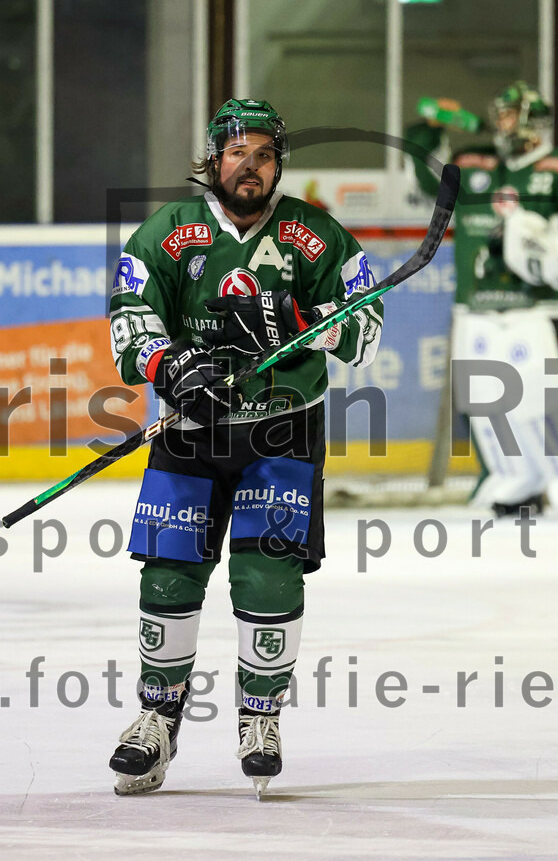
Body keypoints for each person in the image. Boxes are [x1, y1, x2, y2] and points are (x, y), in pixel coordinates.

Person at [106, 98, 383, 798]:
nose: (250, 167)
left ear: (277, 163)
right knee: (168, 578)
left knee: (267, 579)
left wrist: (312, 322)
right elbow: (129, 313)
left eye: (263, 155)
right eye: (237, 154)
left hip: (282, 430)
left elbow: (366, 325)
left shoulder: (315, 235)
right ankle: (156, 721)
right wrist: (168, 365)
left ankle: (260, 719)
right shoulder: (170, 233)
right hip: (192, 431)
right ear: (214, 160)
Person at [405, 81, 558, 516]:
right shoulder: (472, 162)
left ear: (533, 121)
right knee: (484, 401)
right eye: (498, 115)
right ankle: (515, 479)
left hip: (541, 304)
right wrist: (427, 129)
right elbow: (427, 179)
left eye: (509, 114)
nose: (501, 123)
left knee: (543, 399)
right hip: (476, 304)